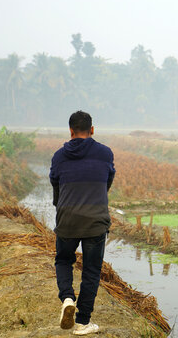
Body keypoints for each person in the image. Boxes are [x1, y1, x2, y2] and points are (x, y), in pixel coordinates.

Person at [49, 110, 115, 335]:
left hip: (67, 219)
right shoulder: (105, 153)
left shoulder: (59, 156)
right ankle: (83, 322)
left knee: (63, 260)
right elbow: (108, 180)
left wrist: (62, 206)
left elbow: (55, 184)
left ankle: (67, 298)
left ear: (70, 130)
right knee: (91, 271)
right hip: (95, 221)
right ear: (92, 129)